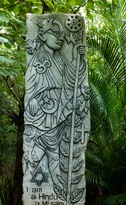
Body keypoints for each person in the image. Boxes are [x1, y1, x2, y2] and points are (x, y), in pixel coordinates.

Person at [24, 18, 86, 188]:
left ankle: (54, 184)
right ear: (42, 36)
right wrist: (34, 100)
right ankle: (41, 184)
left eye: (61, 34)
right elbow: (31, 84)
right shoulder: (38, 59)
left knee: (50, 152)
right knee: (47, 152)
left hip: (58, 111)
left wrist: (77, 57)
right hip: (43, 114)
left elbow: (72, 79)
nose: (60, 37)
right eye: (55, 33)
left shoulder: (60, 58)